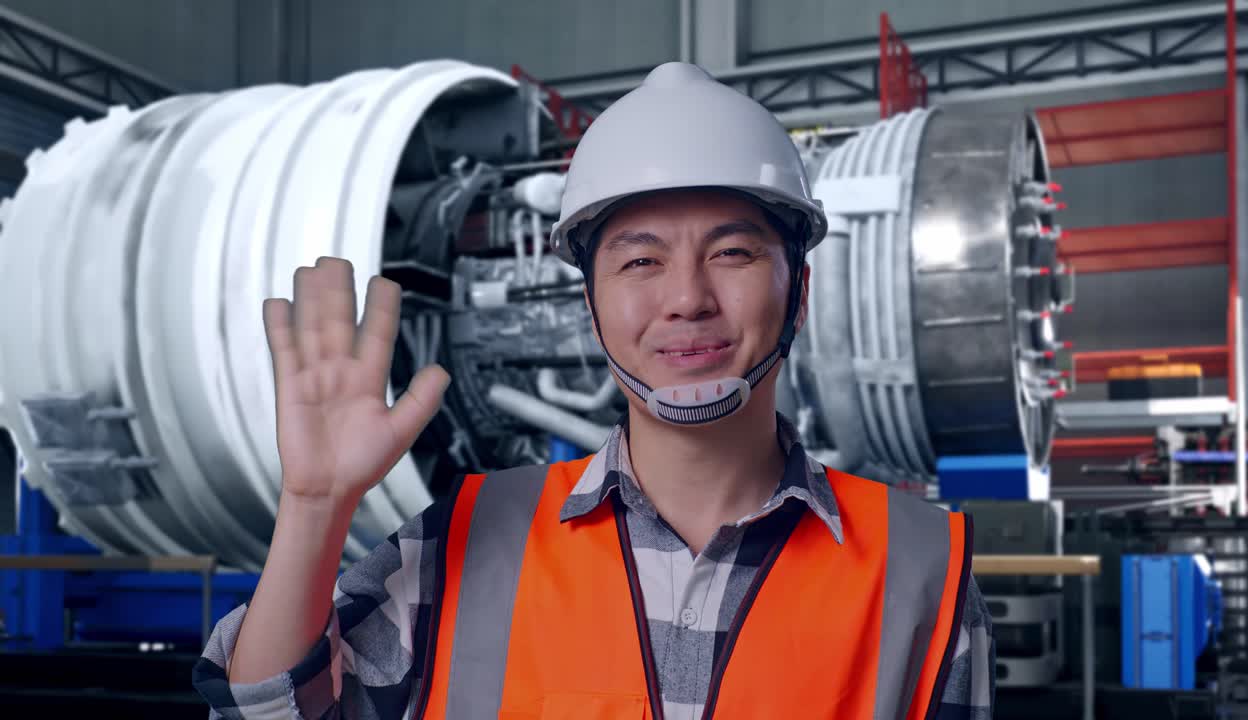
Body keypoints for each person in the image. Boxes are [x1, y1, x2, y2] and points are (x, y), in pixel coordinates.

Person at [195, 62, 994, 720]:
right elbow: (264, 714)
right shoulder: (467, 543)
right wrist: (314, 505)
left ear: (801, 290)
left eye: (734, 254)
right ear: (590, 305)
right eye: (640, 261)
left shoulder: (920, 568)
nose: (687, 298)